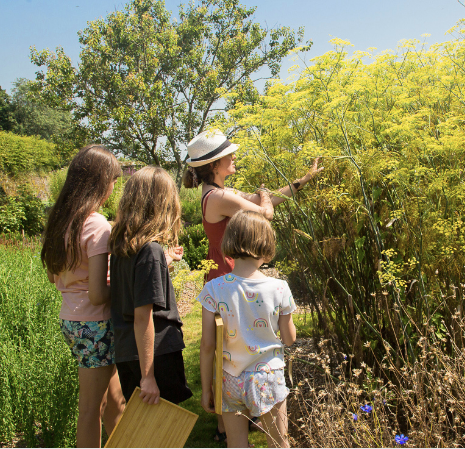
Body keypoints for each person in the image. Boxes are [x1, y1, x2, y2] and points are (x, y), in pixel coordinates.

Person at [41, 145, 125, 448]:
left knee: (115, 402)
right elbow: (99, 293)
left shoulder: (61, 220)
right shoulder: (96, 224)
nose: (114, 186)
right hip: (96, 325)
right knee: (92, 409)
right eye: (113, 180)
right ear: (100, 182)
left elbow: (54, 276)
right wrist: (129, 285)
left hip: (72, 320)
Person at [199, 210, 297, 448]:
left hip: (230, 379)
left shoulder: (214, 289)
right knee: (278, 443)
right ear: (265, 244)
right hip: (268, 376)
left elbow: (207, 345)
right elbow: (289, 338)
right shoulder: (279, 288)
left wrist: (206, 389)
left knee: (236, 444)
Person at [183, 128, 323, 283]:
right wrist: (263, 193)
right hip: (226, 272)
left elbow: (268, 199)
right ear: (213, 165)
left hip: (225, 267)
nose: (234, 157)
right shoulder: (219, 197)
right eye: (229, 154)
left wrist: (303, 180)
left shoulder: (218, 192)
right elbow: (266, 213)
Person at [108, 166, 193, 408]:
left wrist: (165, 262)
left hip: (127, 352)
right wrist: (148, 377)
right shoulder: (150, 251)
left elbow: (135, 286)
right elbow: (142, 317)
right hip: (154, 357)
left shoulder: (122, 246)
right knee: (164, 435)